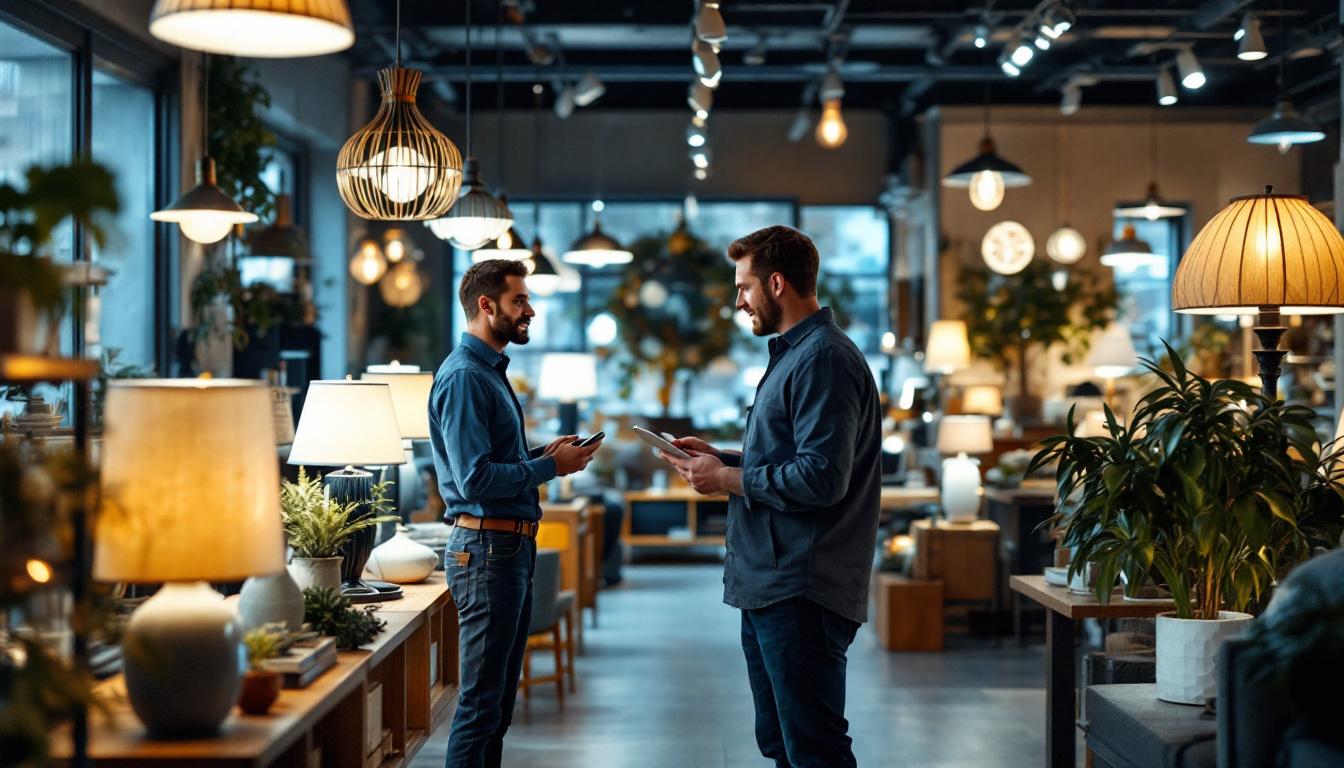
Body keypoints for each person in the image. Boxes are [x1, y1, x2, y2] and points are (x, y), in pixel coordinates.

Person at [661, 225, 881, 768]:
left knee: (814, 749)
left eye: (743, 287)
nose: (738, 301)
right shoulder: (794, 355)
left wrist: (725, 479)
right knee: (782, 744)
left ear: (777, 283)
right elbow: (791, 460)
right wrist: (722, 459)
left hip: (801, 588)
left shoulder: (822, 360)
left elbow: (821, 479)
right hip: (771, 585)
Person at [429, 259, 601, 768]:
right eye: (519, 300)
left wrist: (539, 456)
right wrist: (548, 466)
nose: (531, 310)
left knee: (499, 706)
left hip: (507, 548)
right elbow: (475, 480)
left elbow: (493, 465)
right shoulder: (464, 378)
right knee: (482, 707)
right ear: (487, 305)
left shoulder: (488, 372)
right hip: (487, 552)